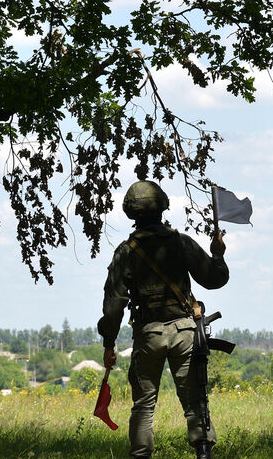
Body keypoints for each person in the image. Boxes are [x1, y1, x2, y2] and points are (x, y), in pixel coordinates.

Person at [97, 180, 228, 459]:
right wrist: (217, 254)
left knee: (144, 405)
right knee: (195, 400)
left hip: (149, 334)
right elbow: (215, 279)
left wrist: (109, 343)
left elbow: (113, 307)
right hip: (184, 332)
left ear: (132, 213)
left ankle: (141, 455)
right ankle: (204, 452)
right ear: (163, 208)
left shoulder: (126, 251)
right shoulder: (181, 244)